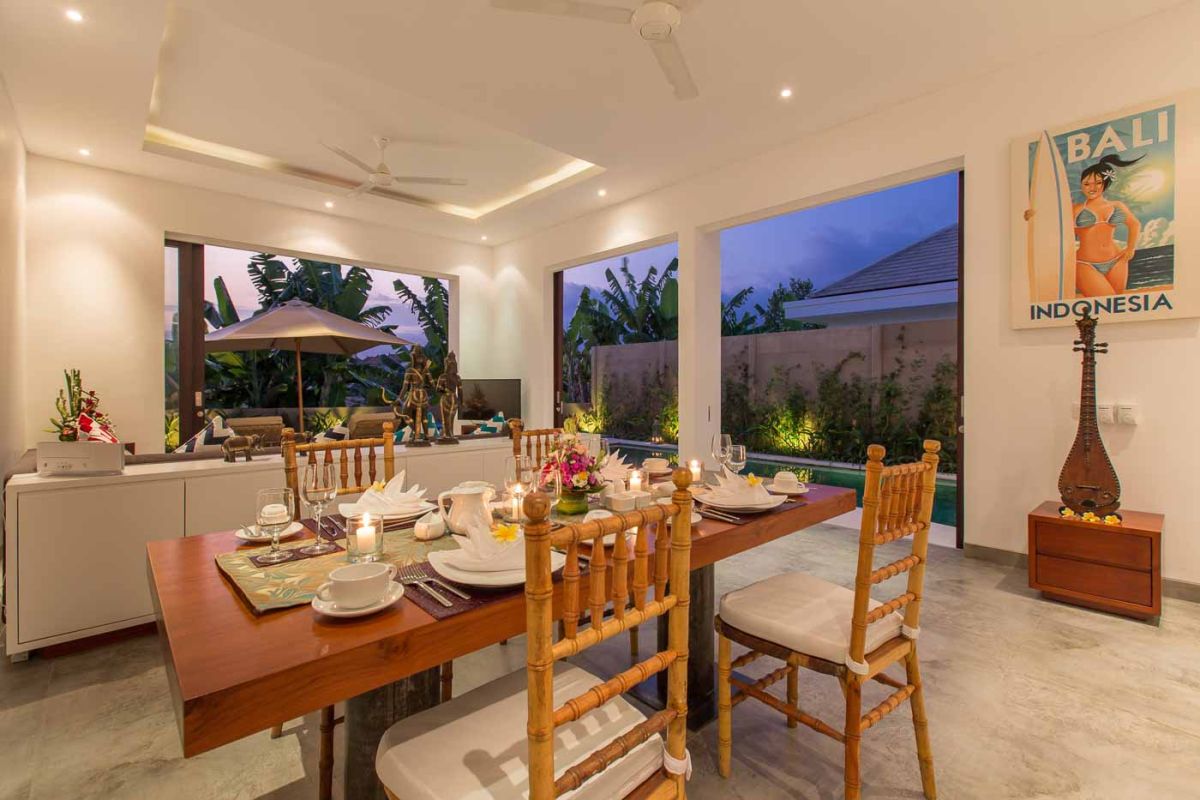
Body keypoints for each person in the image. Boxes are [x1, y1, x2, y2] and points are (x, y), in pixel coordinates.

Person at [1072, 154, 1143, 296]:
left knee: (1116, 305)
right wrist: (1031, 214)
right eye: (1086, 184)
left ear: (1106, 183)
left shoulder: (1116, 205)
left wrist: (1130, 248)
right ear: (1081, 185)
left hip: (1117, 260)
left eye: (1097, 183)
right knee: (1105, 300)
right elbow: (1053, 227)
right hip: (1085, 264)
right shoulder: (1075, 209)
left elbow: (1134, 224)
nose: (1092, 187)